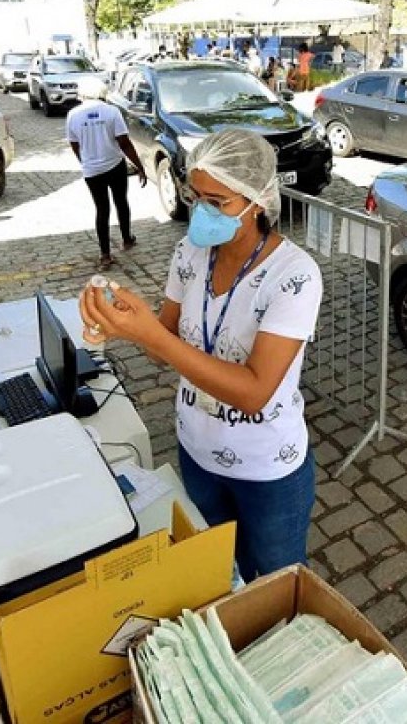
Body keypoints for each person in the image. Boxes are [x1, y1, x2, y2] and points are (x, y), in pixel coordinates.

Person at [79, 129, 322, 581]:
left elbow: (254, 393)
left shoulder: (295, 276)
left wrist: (154, 335)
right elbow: (162, 348)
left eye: (219, 202)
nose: (203, 213)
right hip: (197, 452)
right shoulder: (189, 253)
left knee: (276, 579)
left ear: (257, 200)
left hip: (267, 468)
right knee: (216, 572)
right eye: (196, 197)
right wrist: (125, 324)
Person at [67, 79, 147, 269]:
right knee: (121, 201)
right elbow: (124, 143)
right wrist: (139, 166)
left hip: (92, 171)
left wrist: (85, 161)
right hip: (114, 165)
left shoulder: (73, 115)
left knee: (102, 209)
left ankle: (105, 254)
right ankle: (127, 239)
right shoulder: (111, 112)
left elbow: (74, 144)